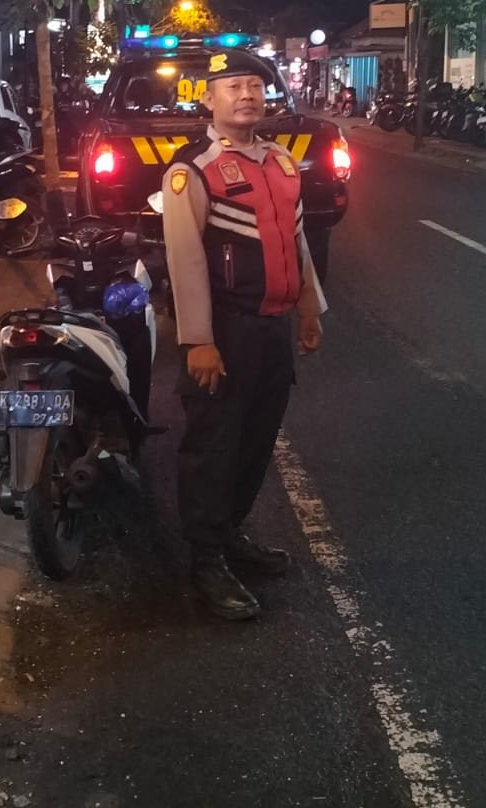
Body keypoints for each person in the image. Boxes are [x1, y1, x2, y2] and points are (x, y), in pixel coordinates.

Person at [160, 49, 328, 621]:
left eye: (254, 85)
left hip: (272, 329)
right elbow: (185, 261)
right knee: (213, 447)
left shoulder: (281, 161)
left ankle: (229, 534)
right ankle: (205, 560)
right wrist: (197, 340)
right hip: (225, 331)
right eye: (232, 87)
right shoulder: (192, 169)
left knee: (256, 442)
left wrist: (309, 309)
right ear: (208, 98)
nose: (247, 95)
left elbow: (298, 242)